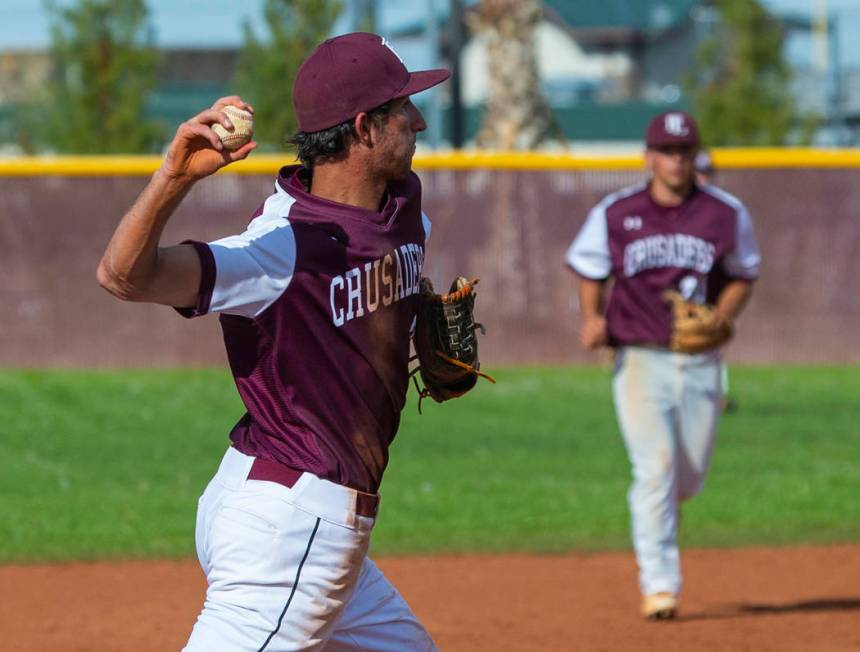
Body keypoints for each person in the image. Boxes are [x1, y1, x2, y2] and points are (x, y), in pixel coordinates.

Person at [98, 32, 449, 651]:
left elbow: (389, 290)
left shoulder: (404, 206)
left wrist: (423, 326)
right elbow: (124, 277)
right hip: (291, 528)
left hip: (296, 508)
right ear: (365, 128)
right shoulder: (281, 247)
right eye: (403, 109)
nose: (417, 119)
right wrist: (172, 177)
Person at [564, 111, 760, 620]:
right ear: (649, 156)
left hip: (701, 361)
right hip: (640, 357)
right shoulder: (617, 212)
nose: (675, 160)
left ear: (695, 155)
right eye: (667, 151)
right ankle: (660, 584)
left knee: (686, 481)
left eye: (684, 151)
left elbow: (744, 273)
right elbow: (589, 267)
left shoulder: (725, 213)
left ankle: (660, 554)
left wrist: (722, 315)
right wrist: (592, 317)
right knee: (656, 471)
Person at [694, 149, 737, 413]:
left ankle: (716, 394)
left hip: (711, 286)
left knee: (712, 338)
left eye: (707, 172)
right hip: (680, 290)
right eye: (699, 172)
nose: (703, 178)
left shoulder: (722, 207)